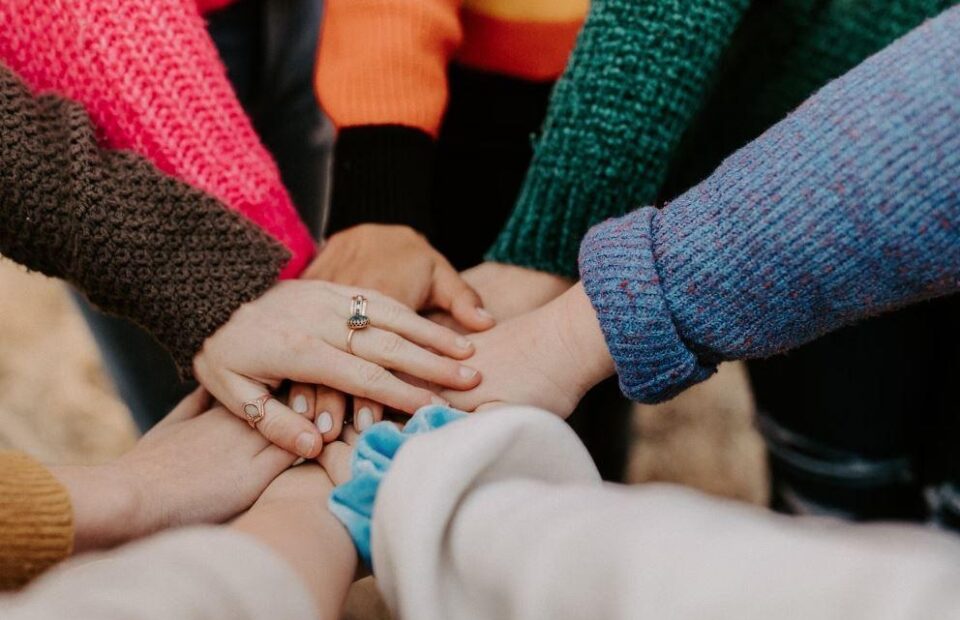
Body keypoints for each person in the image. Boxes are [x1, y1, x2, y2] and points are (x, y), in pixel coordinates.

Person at [0, 59, 479, 461]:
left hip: (297, 31)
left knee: (301, 340)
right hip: (93, 85)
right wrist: (200, 276)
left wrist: (378, 207)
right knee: (224, 437)